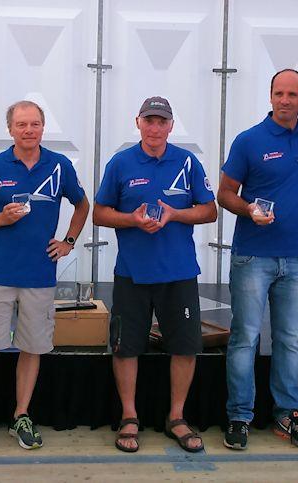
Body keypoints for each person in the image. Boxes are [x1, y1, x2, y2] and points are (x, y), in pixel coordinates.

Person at [0, 100, 89, 462]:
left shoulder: (59, 166)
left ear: (43, 128)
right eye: (21, 124)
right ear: (10, 129)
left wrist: (68, 242)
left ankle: (21, 416)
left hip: (40, 276)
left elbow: (82, 205)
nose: (28, 130)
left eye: (35, 124)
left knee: (32, 349)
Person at [94, 96, 217, 453]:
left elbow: (209, 210)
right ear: (138, 122)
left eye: (162, 121)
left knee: (185, 346)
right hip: (132, 273)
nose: (155, 127)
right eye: (149, 120)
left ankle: (176, 417)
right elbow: (100, 213)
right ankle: (129, 416)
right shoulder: (121, 163)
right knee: (126, 347)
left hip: (178, 272)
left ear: (171, 126)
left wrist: (174, 214)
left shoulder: (187, 162)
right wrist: (132, 219)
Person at [217, 69, 298, 451]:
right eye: (279, 92)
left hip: (296, 260)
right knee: (245, 338)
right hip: (253, 257)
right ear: (270, 96)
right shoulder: (249, 140)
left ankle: (286, 415)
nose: (285, 100)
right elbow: (224, 193)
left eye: (293, 94)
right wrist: (248, 209)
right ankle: (240, 416)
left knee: (290, 341)